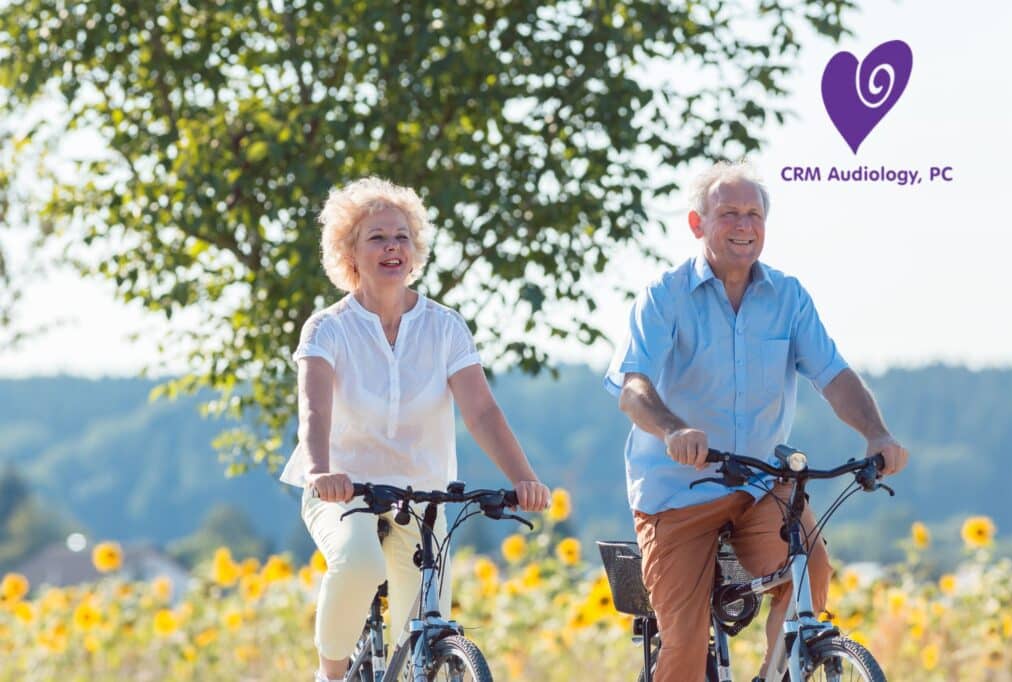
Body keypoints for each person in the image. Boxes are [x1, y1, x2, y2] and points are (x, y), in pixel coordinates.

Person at [603, 162, 909, 682]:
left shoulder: (788, 297)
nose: (744, 225)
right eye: (729, 214)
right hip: (677, 491)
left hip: (760, 482)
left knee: (808, 572)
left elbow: (834, 376)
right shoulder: (665, 295)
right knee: (682, 653)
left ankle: (776, 671)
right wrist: (674, 430)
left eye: (754, 214)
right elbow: (633, 389)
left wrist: (876, 433)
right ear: (698, 224)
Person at [278, 176, 551, 682]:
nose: (392, 247)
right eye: (377, 237)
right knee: (360, 563)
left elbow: (483, 412)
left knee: (422, 629)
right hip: (344, 489)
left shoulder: (444, 326)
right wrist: (321, 471)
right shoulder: (327, 328)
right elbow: (314, 412)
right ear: (351, 252)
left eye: (401, 236)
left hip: (423, 495)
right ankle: (330, 673)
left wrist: (523, 478)